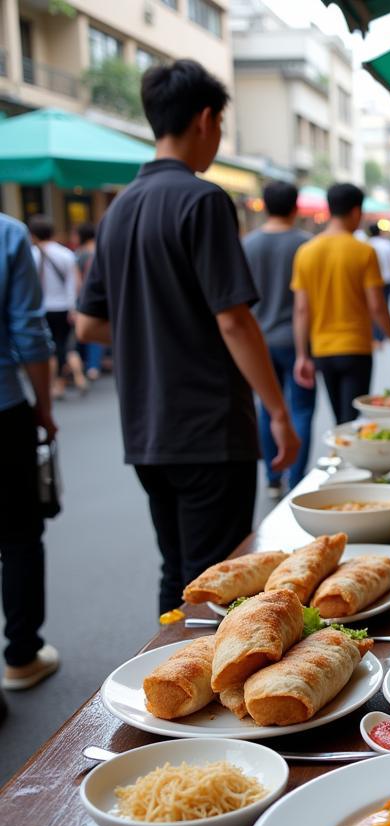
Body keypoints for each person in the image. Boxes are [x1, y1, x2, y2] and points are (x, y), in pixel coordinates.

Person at [77, 59, 299, 615]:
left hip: (146, 429)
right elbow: (233, 320)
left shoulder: (117, 211)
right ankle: (193, 688)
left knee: (177, 570)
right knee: (220, 580)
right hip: (208, 425)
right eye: (219, 126)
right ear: (205, 119)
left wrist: (152, 322)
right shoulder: (203, 200)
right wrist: (277, 412)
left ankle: (162, 683)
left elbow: (89, 325)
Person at [0, 213, 59, 702]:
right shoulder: (6, 233)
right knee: (19, 536)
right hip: (2, 411)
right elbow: (28, 332)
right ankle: (21, 655)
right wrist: (44, 408)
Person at [292, 183, 390, 425]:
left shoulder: (306, 252)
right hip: (356, 347)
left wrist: (302, 354)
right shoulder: (364, 251)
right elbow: (377, 306)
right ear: (356, 212)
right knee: (352, 420)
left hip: (322, 349)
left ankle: (341, 458)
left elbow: (302, 309)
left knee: (339, 419)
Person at [242, 181, 315, 500]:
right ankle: (296, 477)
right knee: (300, 409)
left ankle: (272, 475)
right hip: (298, 340)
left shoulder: (248, 245)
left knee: (267, 408)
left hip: (257, 340)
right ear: (295, 207)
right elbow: (307, 302)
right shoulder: (305, 244)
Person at [28, 215, 87, 398]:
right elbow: (73, 284)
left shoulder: (31, 255)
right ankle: (76, 378)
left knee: (50, 348)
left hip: (41, 308)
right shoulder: (65, 254)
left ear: (33, 234)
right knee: (65, 345)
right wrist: (73, 307)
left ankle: (55, 384)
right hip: (63, 307)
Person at [71, 223, 102, 381]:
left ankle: (85, 365)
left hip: (86, 298)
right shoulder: (102, 250)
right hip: (104, 298)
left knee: (85, 332)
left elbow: (77, 283)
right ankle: (93, 366)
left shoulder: (79, 255)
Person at [366, 223, 390, 344]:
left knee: (373, 307)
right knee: (384, 307)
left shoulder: (366, 245)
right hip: (387, 280)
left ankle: (376, 334)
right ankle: (382, 334)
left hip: (371, 283)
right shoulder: (388, 245)